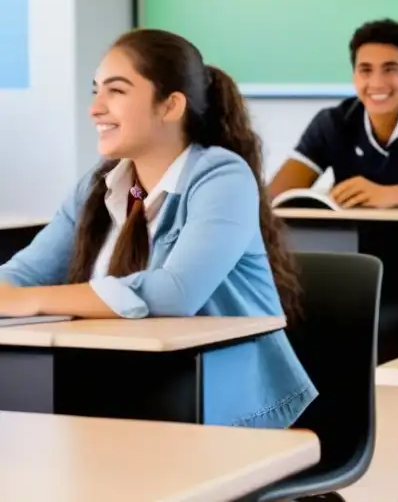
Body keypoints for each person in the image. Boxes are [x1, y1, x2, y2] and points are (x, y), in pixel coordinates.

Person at [0, 29, 316, 428]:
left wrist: (29, 301)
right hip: (124, 389)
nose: (95, 108)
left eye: (116, 91)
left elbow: (175, 293)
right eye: (95, 91)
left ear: (170, 106)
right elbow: (24, 274)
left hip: (222, 406)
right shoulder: (100, 186)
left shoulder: (221, 176)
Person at [268, 18, 398, 208]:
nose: (377, 83)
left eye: (390, 69)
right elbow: (274, 196)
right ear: (354, 77)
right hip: (352, 244)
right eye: (365, 70)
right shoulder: (332, 122)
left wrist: (387, 195)